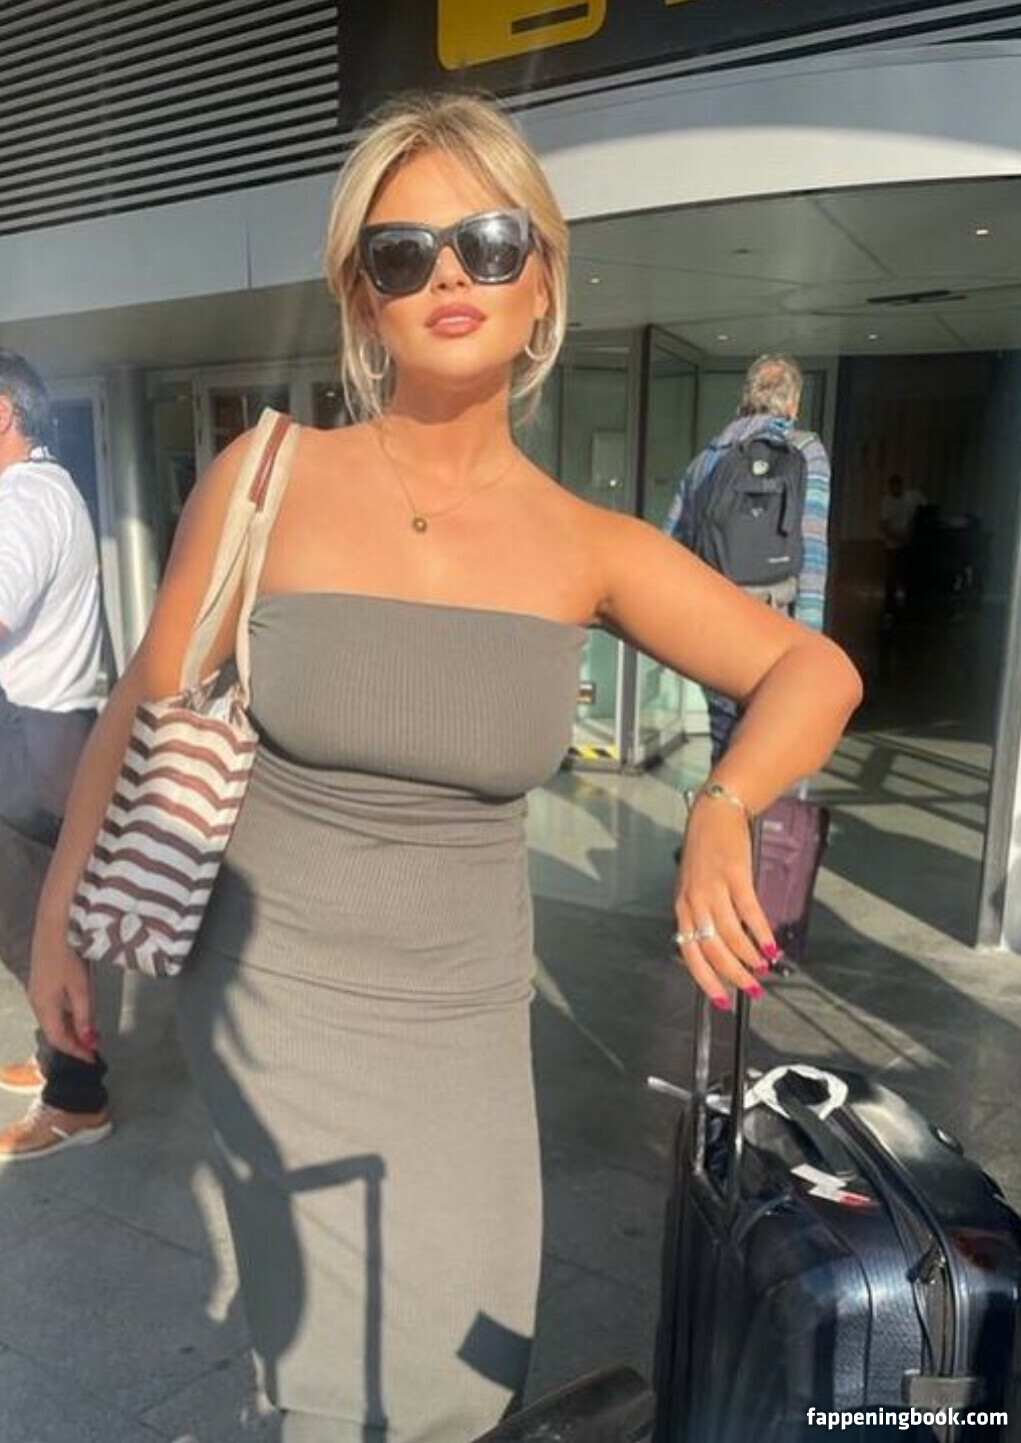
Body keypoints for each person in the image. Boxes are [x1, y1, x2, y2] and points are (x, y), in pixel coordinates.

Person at [27, 94, 861, 1441]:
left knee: (475, 1364)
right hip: (273, 1002)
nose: (449, 276)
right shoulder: (269, 475)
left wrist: (722, 804)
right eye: (401, 253)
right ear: (363, 298)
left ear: (542, 282)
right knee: (338, 1381)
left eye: (487, 240)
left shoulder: (584, 543)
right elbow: (144, 696)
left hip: (465, 1023)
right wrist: (61, 917)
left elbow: (813, 672)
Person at [0, 351, 111, 1161]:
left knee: (33, 921)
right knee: (33, 915)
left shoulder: (24, 500)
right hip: (45, 733)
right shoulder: (46, 489)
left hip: (30, 738)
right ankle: (55, 1050)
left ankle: (78, 1097)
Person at [663, 354, 831, 762]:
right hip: (775, 623)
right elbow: (812, 550)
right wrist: (811, 641)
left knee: (725, 745)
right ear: (793, 404)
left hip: (714, 625)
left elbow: (671, 545)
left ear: (746, 398)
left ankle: (719, 797)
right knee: (768, 750)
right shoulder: (805, 452)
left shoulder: (706, 460)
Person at [880, 471, 926, 617]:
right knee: (892, 576)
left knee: (908, 574)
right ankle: (890, 606)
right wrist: (899, 537)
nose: (895, 490)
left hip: (909, 543)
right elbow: (884, 525)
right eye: (892, 488)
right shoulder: (887, 501)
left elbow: (924, 509)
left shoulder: (912, 497)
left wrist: (913, 529)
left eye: (897, 487)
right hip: (893, 545)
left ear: (901, 486)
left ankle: (909, 604)